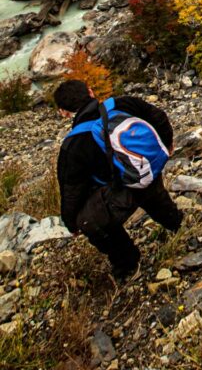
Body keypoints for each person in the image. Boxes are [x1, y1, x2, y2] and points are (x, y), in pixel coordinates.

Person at [55, 79, 182, 283]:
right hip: (147, 170)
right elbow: (158, 116)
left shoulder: (73, 144)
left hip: (120, 192)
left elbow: (72, 190)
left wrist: (72, 223)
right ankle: (176, 223)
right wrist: (167, 145)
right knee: (153, 193)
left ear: (63, 112)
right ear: (90, 91)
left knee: (89, 221)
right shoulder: (122, 103)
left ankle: (127, 261)